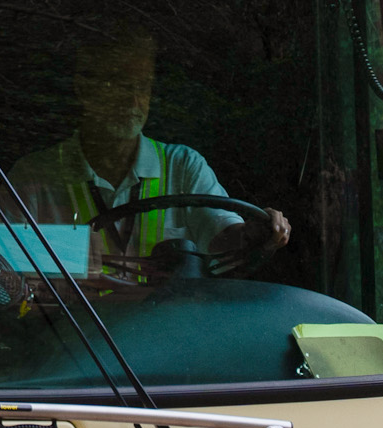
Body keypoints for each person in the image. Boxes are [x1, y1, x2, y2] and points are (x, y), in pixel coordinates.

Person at [18, 29, 283, 277]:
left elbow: (226, 236)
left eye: (142, 86)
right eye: (119, 85)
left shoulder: (183, 166)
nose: (133, 101)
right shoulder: (33, 177)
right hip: (76, 325)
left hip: (167, 325)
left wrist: (256, 234)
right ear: (84, 89)